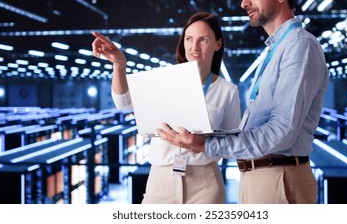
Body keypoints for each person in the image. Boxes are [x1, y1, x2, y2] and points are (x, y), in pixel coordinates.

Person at [157, 0, 329, 204]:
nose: (244, 2)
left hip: (278, 177)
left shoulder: (299, 46)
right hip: (260, 176)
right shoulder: (276, 49)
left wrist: (206, 144)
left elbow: (281, 132)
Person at [91, 11, 241, 204]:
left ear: (217, 44)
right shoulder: (163, 80)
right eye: (189, 39)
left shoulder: (227, 91)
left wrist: (201, 143)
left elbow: (232, 145)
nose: (194, 47)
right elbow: (123, 104)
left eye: (203, 39)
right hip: (161, 179)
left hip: (205, 182)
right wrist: (119, 64)